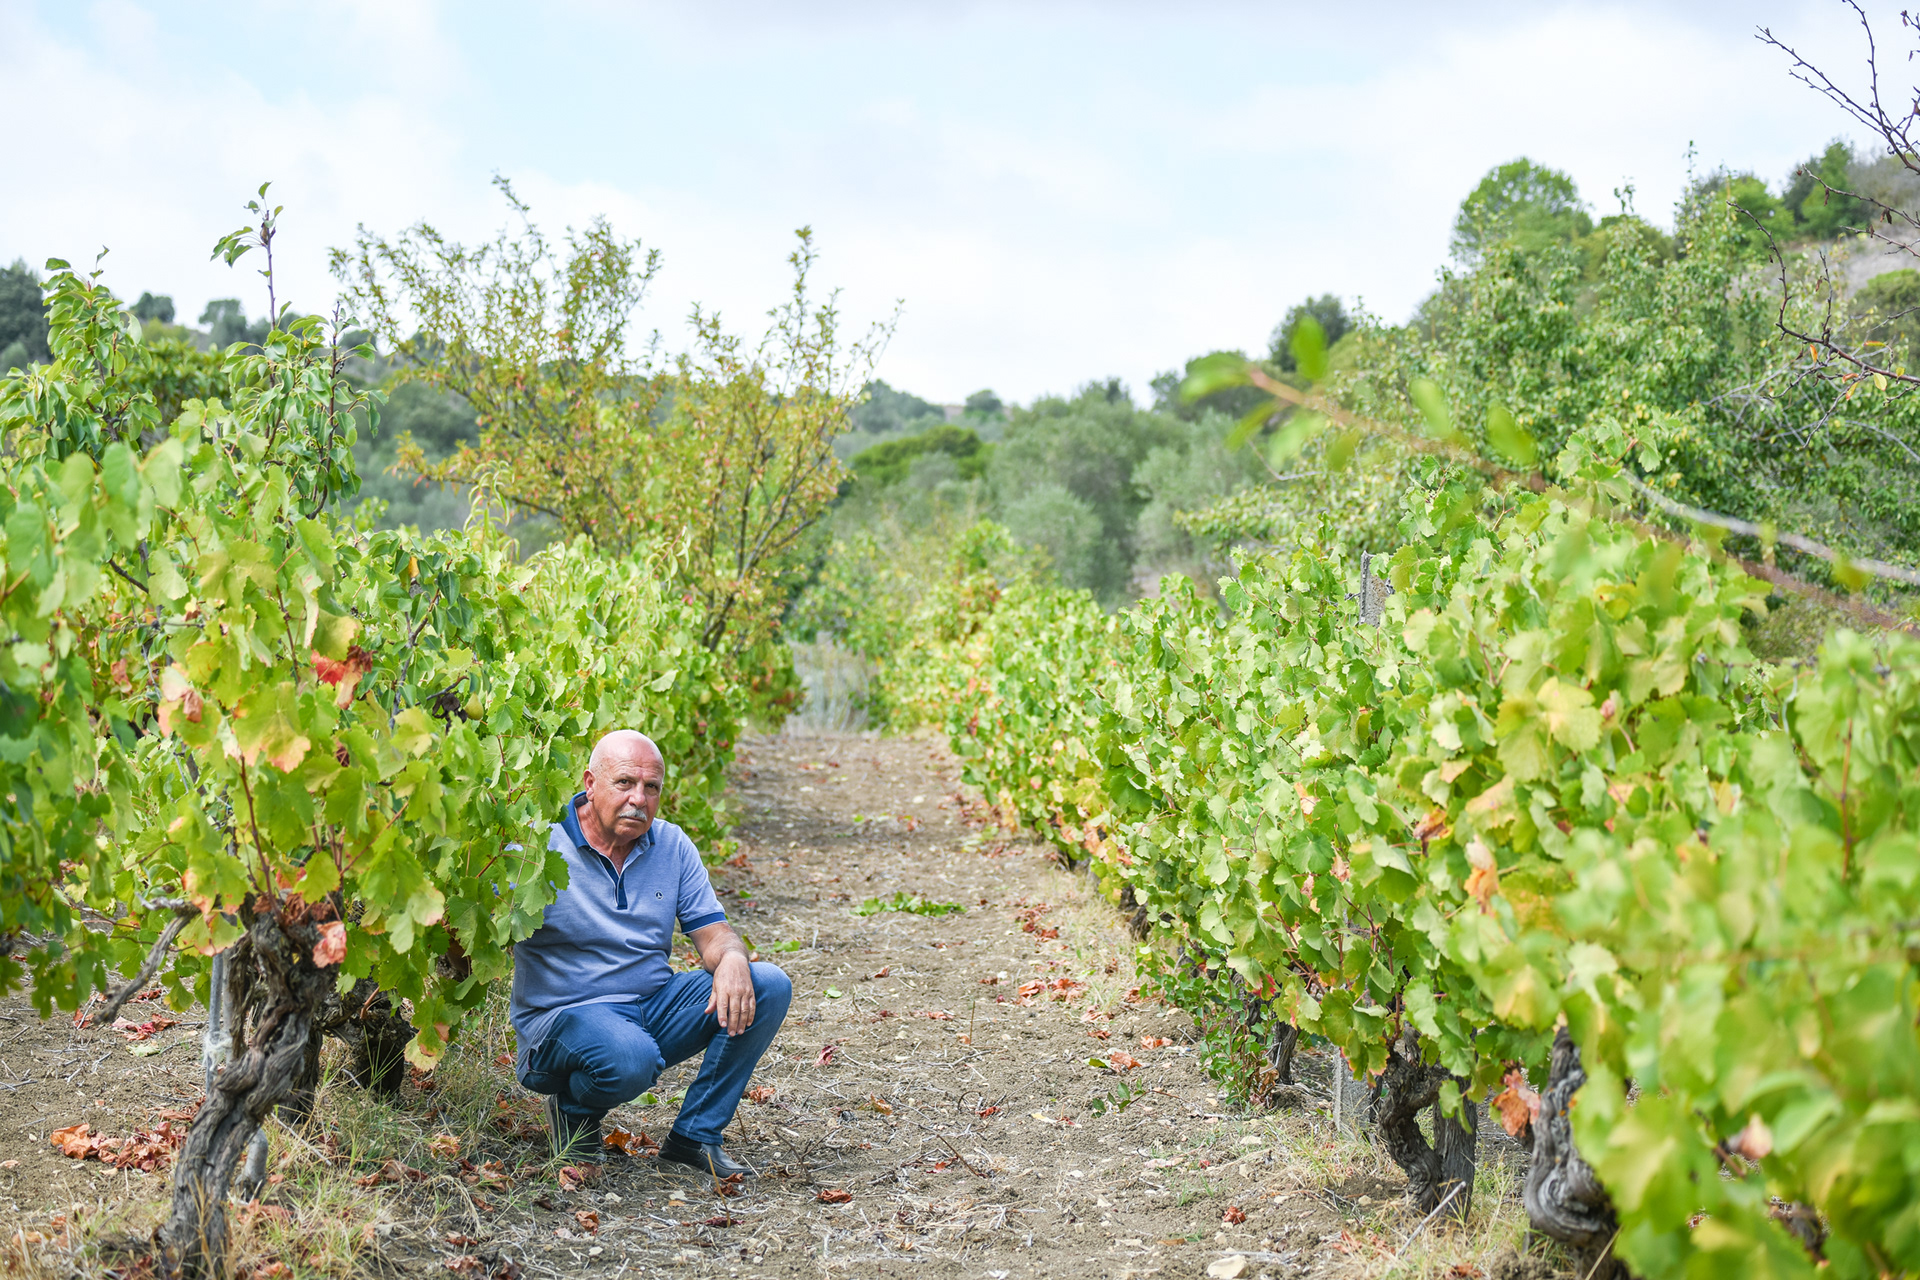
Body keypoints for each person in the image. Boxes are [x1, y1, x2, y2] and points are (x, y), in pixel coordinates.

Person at [510, 730, 791, 1176]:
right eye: (625, 783)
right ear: (590, 783)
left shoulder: (672, 845)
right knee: (629, 1058)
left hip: (648, 1007)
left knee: (769, 985)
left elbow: (714, 933)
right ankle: (572, 1112)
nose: (639, 799)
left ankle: (694, 1137)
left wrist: (734, 958)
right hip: (564, 1021)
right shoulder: (533, 850)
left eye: (651, 787)